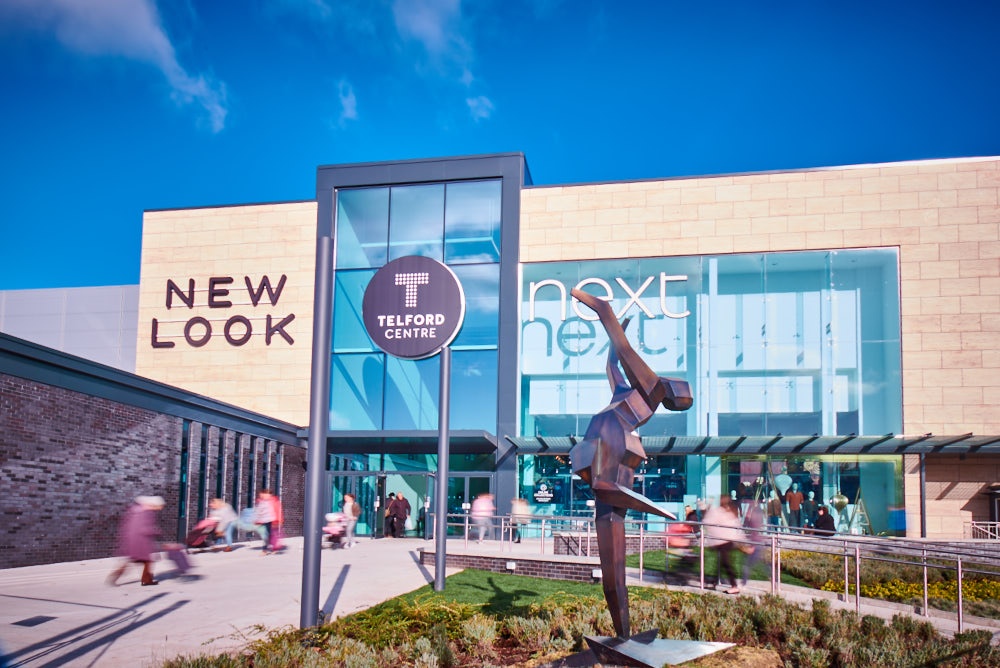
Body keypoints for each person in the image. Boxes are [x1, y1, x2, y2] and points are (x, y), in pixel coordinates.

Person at [107, 495, 165, 586]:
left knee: (133, 560)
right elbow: (145, 528)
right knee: (147, 561)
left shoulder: (135, 511)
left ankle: (114, 577)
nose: (161, 507)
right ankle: (146, 580)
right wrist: (156, 531)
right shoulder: (147, 513)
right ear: (154, 504)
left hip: (132, 540)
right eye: (160, 505)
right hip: (141, 541)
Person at [702, 496, 745, 595]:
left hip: (724, 541)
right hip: (725, 541)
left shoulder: (723, 512)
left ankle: (734, 585)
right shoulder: (726, 512)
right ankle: (713, 581)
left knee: (726, 563)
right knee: (721, 563)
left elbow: (707, 522)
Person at [740, 502, 765, 586]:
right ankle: (774, 580)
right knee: (763, 565)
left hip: (755, 544)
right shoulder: (758, 518)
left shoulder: (754, 520)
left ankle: (743, 583)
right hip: (758, 543)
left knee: (747, 565)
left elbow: (754, 533)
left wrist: (752, 546)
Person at [253, 490, 277, 554]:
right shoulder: (263, 502)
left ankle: (265, 550)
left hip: (268, 520)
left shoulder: (268, 502)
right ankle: (272, 548)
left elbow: (259, 511)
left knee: (266, 535)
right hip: (265, 520)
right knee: (267, 535)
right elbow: (258, 511)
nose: (261, 495)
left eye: (262, 494)